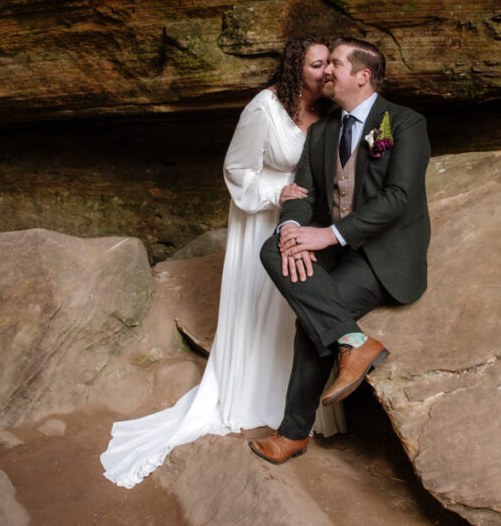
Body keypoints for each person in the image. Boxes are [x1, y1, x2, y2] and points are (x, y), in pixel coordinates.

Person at [100, 35, 344, 488]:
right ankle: (254, 401)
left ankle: (295, 409)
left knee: (295, 313)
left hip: (306, 222)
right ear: (295, 67)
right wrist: (277, 193)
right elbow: (236, 169)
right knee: (263, 308)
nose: (325, 71)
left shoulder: (330, 113)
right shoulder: (264, 108)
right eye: (316, 64)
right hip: (263, 217)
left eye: (330, 63)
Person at [248, 37, 431, 464]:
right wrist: (294, 227)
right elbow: (302, 190)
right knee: (273, 250)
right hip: (335, 250)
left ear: (362, 76)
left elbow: (398, 197)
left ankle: (292, 434)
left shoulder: (404, 123)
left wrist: (327, 236)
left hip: (381, 253)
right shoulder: (325, 129)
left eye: (335, 63)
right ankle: (355, 341)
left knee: (311, 324)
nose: (325, 70)